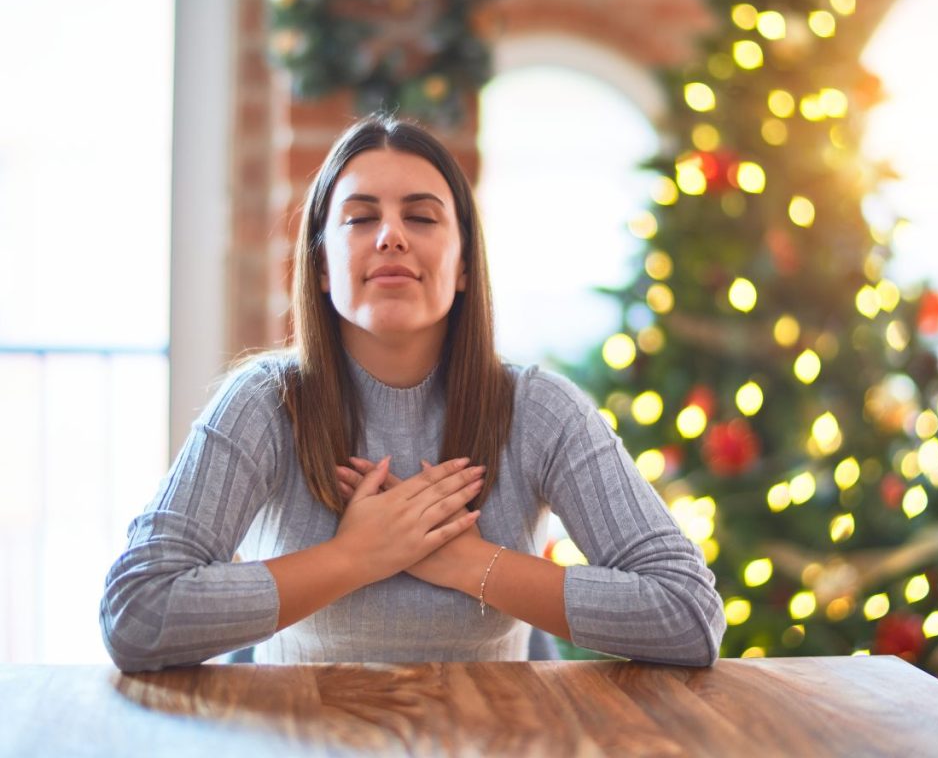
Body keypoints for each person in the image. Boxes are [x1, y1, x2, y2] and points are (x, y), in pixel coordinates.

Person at [99, 114, 725, 671]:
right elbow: (136, 612)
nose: (391, 235)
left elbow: (689, 614)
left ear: (461, 266)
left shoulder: (539, 409)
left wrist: (469, 564)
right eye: (360, 217)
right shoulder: (260, 404)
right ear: (320, 266)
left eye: (421, 216)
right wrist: (359, 556)